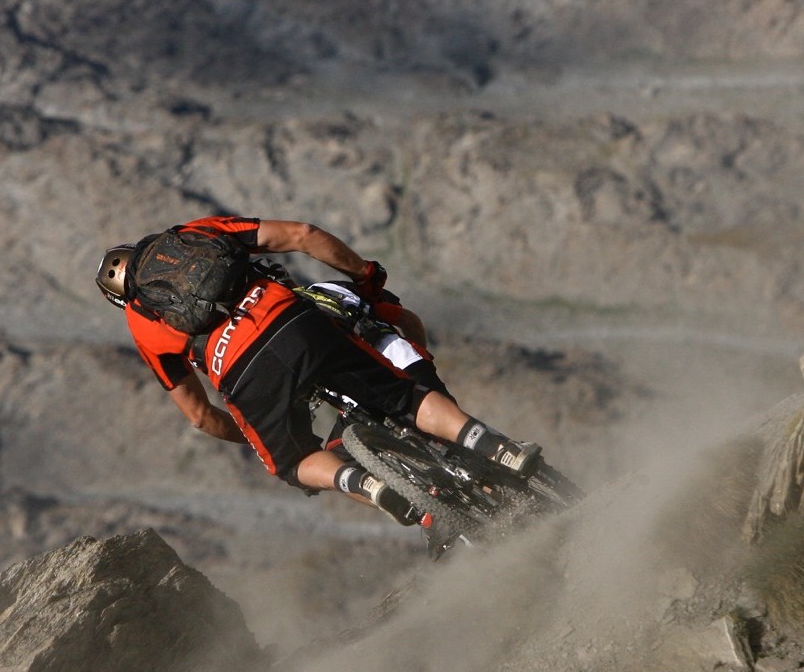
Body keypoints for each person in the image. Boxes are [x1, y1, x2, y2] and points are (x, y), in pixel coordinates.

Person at [96, 215, 541, 556]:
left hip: (242, 372)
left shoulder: (141, 321)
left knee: (295, 462)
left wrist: (253, 436)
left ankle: (369, 486)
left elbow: (200, 417)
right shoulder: (196, 233)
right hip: (292, 320)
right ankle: (497, 447)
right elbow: (303, 234)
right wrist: (366, 274)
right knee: (405, 397)